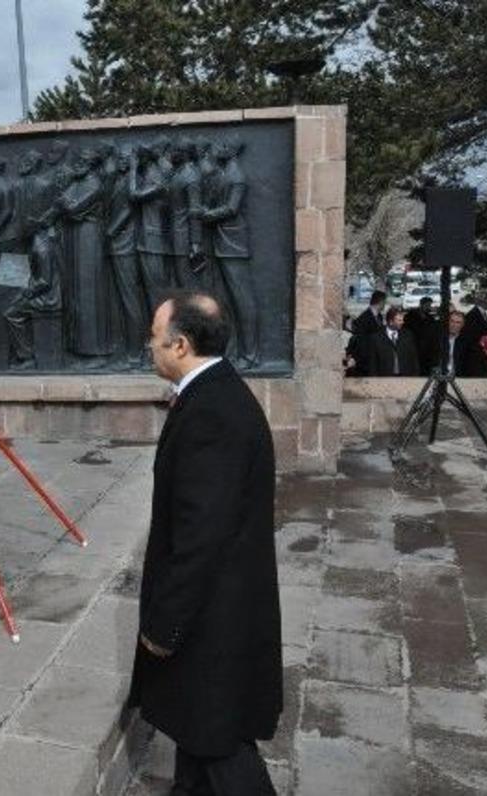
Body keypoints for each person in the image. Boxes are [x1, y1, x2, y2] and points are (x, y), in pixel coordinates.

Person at [129, 291, 281, 795]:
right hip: (219, 609)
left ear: (180, 345)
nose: (148, 346)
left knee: (219, 743)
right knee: (198, 733)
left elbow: (201, 537)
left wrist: (163, 626)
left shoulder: (212, 413)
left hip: (212, 616)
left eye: (154, 337)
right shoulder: (214, 394)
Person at [365, 307, 420, 377]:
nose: (403, 322)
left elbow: (414, 359)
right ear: (391, 322)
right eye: (399, 320)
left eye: (402, 320)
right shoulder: (376, 338)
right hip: (384, 379)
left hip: (405, 378)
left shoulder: (408, 336)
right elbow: (373, 363)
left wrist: (415, 377)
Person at [345, 290, 386, 376]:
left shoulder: (379, 316)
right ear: (380, 302)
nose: (385, 305)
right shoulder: (364, 318)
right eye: (384, 302)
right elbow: (361, 341)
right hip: (367, 360)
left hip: (377, 357)